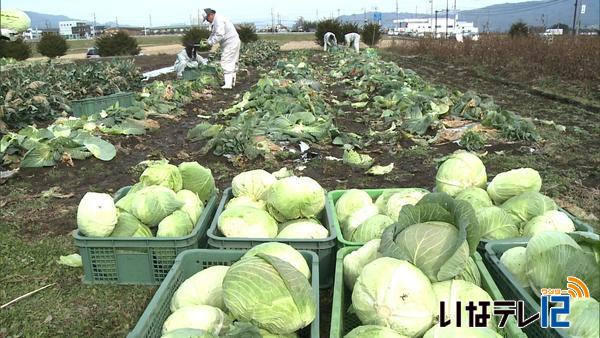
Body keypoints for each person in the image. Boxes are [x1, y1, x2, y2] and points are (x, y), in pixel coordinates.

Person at [202, 8, 241, 89]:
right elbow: (214, 34)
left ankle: (228, 85)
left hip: (230, 43)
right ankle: (232, 81)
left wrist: (210, 43)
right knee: (233, 61)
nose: (207, 21)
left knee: (225, 61)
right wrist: (208, 40)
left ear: (210, 15)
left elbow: (219, 34)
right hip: (233, 41)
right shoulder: (217, 20)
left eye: (207, 19)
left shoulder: (218, 20)